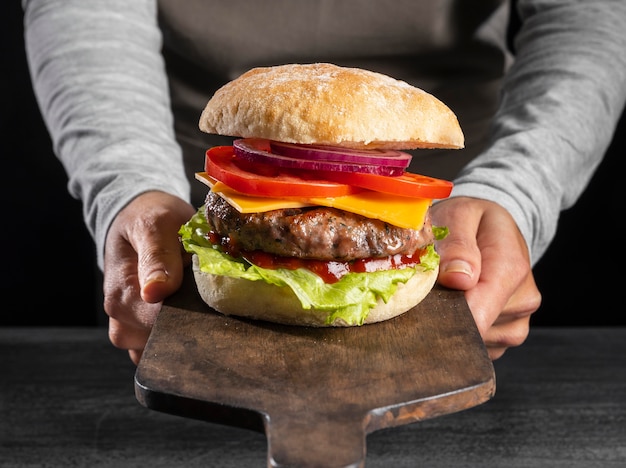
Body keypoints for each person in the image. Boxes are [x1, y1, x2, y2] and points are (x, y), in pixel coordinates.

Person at [22, 0, 626, 364]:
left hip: (454, 200)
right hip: (187, 177)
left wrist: (514, 190)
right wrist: (131, 183)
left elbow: (592, 16)